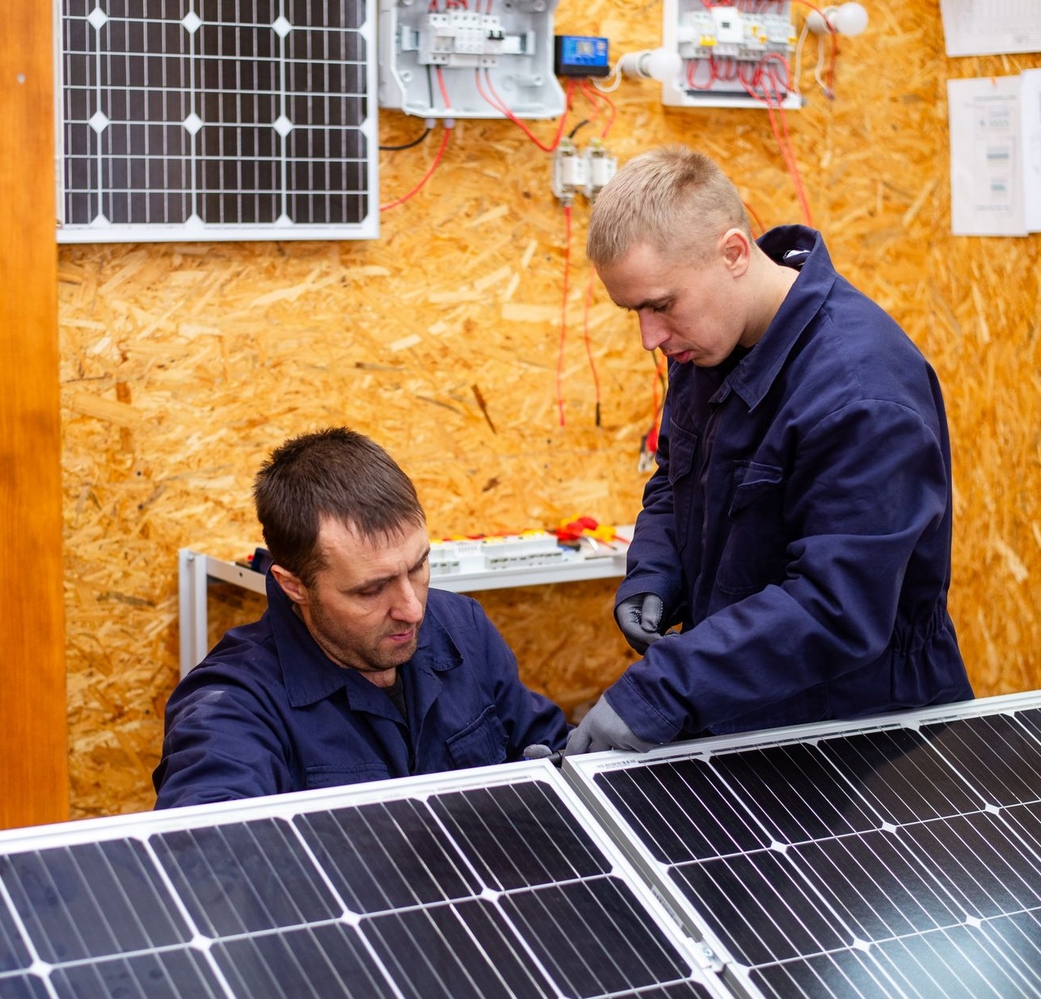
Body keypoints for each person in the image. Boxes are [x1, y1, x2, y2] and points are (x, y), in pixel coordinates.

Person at [566, 146, 971, 755]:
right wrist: (655, 574)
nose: (649, 336)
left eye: (660, 304)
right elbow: (678, 482)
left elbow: (836, 607)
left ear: (733, 253)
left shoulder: (861, 394)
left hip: (863, 736)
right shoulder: (707, 345)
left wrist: (667, 688)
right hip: (745, 706)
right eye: (633, 311)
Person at [155, 427, 568, 807]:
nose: (413, 609)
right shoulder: (233, 704)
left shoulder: (462, 626)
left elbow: (549, 752)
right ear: (294, 585)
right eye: (371, 589)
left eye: (419, 566)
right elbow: (207, 849)